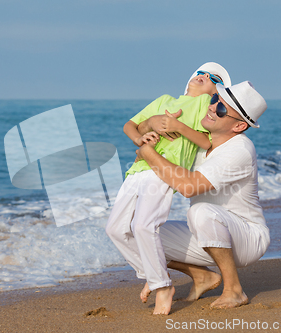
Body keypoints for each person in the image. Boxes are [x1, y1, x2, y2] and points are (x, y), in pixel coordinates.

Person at [106, 63, 232, 315]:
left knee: (144, 226)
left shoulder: (202, 108)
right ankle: (153, 275)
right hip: (137, 170)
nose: (203, 77)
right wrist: (141, 137)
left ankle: (162, 286)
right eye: (200, 74)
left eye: (212, 78)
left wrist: (179, 128)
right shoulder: (164, 99)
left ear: (215, 93)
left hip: (165, 172)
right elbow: (130, 126)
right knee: (115, 229)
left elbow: (207, 142)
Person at [135, 81, 270, 314]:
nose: (212, 107)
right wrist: (150, 135)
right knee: (136, 231)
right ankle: (200, 274)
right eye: (214, 100)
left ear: (238, 126)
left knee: (200, 212)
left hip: (246, 237)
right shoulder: (198, 143)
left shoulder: (240, 149)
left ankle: (234, 289)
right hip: (207, 233)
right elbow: (155, 151)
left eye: (220, 109)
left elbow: (188, 187)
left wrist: (147, 153)